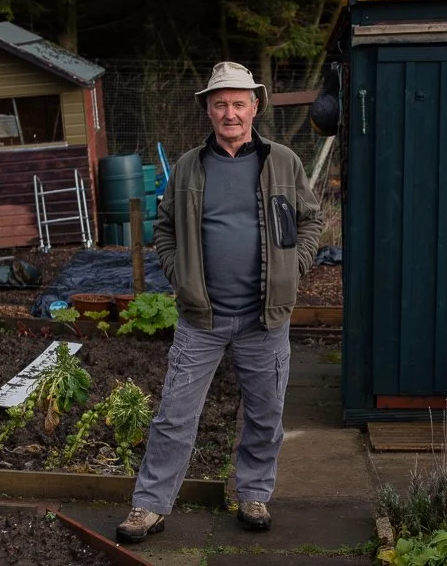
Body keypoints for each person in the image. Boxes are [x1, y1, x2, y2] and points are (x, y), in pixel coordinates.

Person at [116, 62, 323, 543]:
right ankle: (149, 506)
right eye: (220, 104)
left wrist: (296, 264)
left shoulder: (283, 162)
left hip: (265, 319)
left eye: (238, 103)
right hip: (201, 319)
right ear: (207, 109)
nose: (230, 113)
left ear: (255, 107)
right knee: (174, 414)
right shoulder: (190, 166)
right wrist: (179, 274)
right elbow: (164, 230)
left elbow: (311, 222)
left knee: (266, 414)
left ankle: (253, 494)